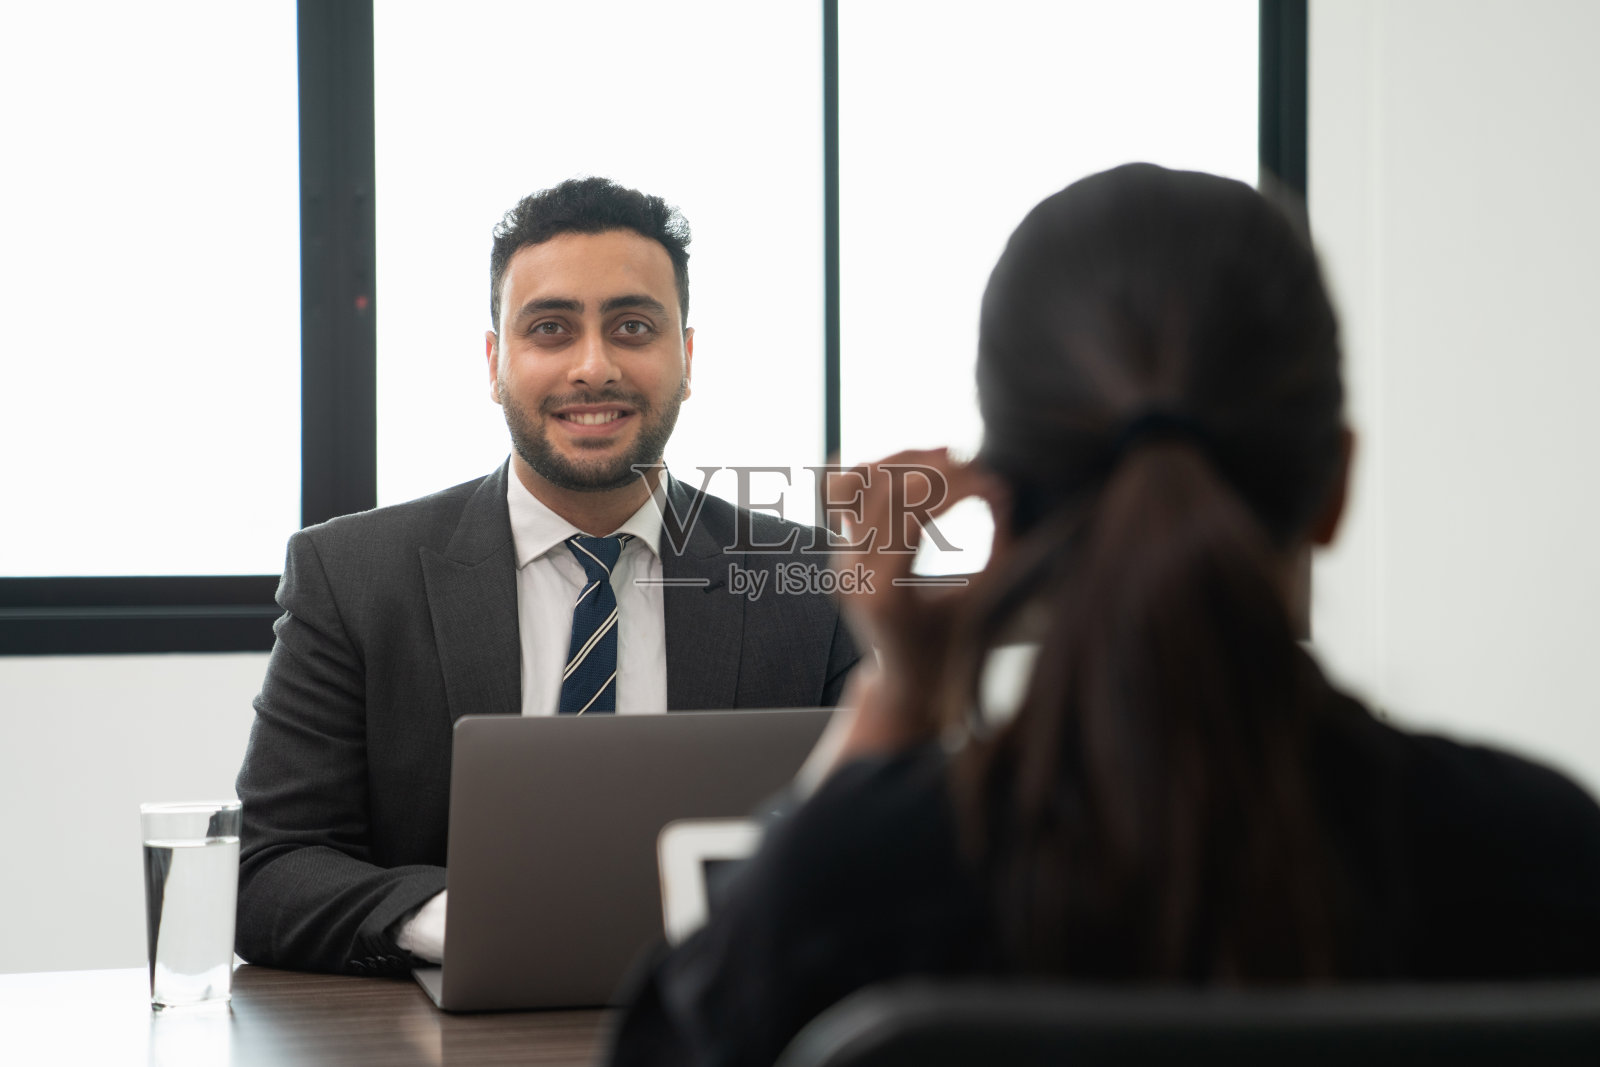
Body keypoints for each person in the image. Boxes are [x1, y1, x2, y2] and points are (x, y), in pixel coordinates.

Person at [606, 163, 1600, 1066]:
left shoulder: (856, 885)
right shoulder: (1547, 854)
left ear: (1001, 499)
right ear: (1334, 482)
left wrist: (899, 696)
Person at [234, 177, 860, 976]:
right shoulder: (352, 577)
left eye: (633, 326)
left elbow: (892, 857)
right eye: (551, 329)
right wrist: (466, 923)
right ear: (495, 360)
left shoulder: (811, 582)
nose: (593, 367)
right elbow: (271, 868)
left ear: (687, 356)